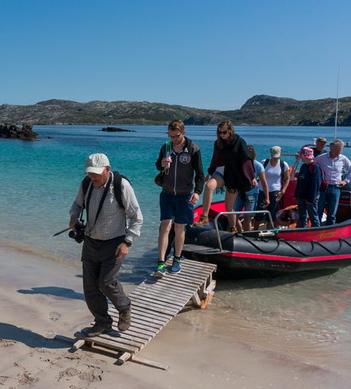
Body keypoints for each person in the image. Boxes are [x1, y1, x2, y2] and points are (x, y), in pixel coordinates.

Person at [69, 153, 143, 337]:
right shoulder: (86, 184)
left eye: (95, 173)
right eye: (89, 173)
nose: (92, 177)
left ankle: (124, 307)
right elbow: (77, 204)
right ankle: (103, 323)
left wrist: (128, 242)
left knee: (106, 282)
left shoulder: (121, 186)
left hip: (115, 243)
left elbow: (137, 218)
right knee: (90, 287)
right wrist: (73, 215)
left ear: (107, 170)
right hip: (91, 242)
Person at [154, 119, 204, 274]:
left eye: (176, 136)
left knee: (179, 227)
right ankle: (161, 263)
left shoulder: (193, 149)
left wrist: (197, 192)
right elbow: (157, 165)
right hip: (167, 192)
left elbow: (200, 174)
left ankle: (177, 258)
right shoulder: (166, 147)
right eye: (170, 136)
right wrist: (162, 163)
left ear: (183, 133)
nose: (173, 139)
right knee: (165, 227)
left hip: (185, 194)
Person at [194, 121, 256, 231]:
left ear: (230, 131)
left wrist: (252, 177)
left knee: (229, 207)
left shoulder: (239, 142)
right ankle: (204, 217)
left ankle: (233, 228)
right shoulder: (218, 143)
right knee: (209, 186)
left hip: (234, 175)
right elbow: (215, 161)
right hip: (220, 172)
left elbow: (246, 160)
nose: (222, 134)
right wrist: (209, 174)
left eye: (224, 132)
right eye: (219, 132)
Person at [314, 139, 351, 226]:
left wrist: (345, 181)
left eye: (340, 150)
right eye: (336, 150)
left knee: (332, 213)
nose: (338, 152)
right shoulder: (321, 158)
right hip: (322, 188)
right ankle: (315, 230)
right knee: (319, 211)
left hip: (336, 188)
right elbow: (311, 165)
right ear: (330, 148)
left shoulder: (343, 159)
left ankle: (329, 232)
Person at [234, 145, 269, 231]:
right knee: (234, 216)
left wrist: (267, 197)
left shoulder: (257, 165)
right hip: (239, 193)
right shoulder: (239, 164)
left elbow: (264, 182)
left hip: (252, 194)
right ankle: (240, 231)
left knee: (247, 219)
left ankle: (247, 236)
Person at [259, 145, 291, 226]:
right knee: (259, 212)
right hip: (262, 190)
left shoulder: (283, 165)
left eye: (276, 157)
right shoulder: (264, 163)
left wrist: (282, 191)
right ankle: (255, 231)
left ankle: (269, 231)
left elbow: (287, 179)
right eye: (274, 157)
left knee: (272, 213)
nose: (275, 158)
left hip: (275, 191)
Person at [293, 146, 323, 228]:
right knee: (302, 216)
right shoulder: (303, 166)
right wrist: (296, 194)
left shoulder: (315, 167)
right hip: (301, 195)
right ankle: (301, 231)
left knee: (313, 216)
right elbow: (299, 182)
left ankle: (316, 232)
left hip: (310, 197)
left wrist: (311, 199)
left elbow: (316, 184)